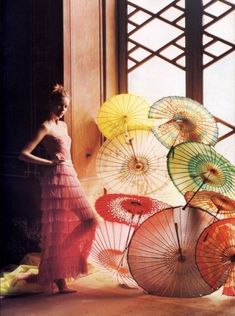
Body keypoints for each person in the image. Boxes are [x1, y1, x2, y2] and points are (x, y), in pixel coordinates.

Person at [19, 84, 97, 294]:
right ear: (50, 103)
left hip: (70, 175)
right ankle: (60, 282)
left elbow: (67, 154)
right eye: (60, 105)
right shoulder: (45, 126)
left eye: (66, 107)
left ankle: (59, 259)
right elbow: (23, 154)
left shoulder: (63, 126)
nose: (63, 110)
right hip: (55, 178)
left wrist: (72, 172)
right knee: (59, 227)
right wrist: (49, 163)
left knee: (90, 220)